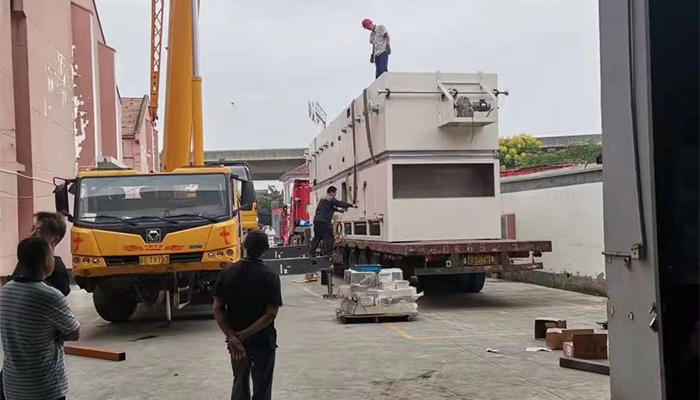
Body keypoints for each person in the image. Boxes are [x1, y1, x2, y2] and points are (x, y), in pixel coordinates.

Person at [0, 237, 80, 400]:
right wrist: (55, 334)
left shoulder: (5, 291)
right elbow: (74, 333)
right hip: (44, 387)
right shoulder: (49, 296)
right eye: (52, 256)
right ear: (45, 261)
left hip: (12, 386)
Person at [213, 230, 283, 400]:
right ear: (266, 248)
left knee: (239, 382)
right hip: (263, 340)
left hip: (237, 342)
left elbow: (217, 308)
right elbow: (271, 314)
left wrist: (233, 337)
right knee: (262, 386)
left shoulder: (227, 273)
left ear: (244, 246)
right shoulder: (270, 276)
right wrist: (245, 334)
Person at [11, 212, 70, 296]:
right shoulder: (26, 260)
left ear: (55, 240)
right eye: (32, 229)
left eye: (39, 232)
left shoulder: (58, 270)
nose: (31, 235)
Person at [309, 186, 355, 258]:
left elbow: (330, 208)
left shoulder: (323, 199)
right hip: (323, 221)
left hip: (317, 221)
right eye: (335, 192)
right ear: (331, 192)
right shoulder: (330, 199)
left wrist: (339, 210)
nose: (335, 194)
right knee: (329, 236)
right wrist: (350, 205)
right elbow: (338, 203)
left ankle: (311, 253)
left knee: (317, 237)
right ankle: (329, 253)